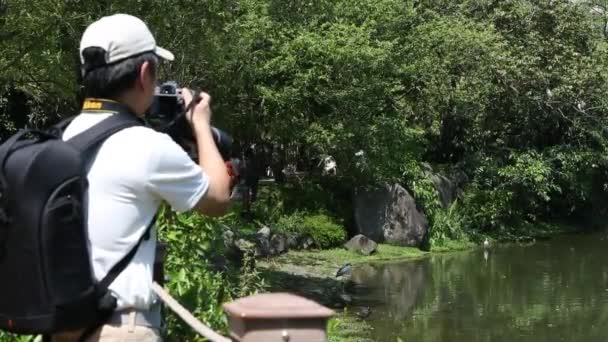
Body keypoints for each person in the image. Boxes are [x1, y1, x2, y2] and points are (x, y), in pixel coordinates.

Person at [53, 13, 232, 341]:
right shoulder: (147, 146)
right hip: (120, 328)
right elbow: (219, 198)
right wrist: (201, 123)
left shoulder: (59, 137)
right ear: (145, 73)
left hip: (61, 326)